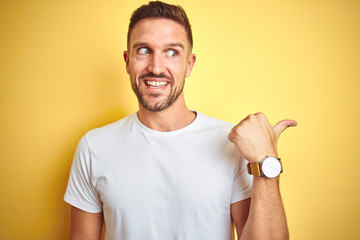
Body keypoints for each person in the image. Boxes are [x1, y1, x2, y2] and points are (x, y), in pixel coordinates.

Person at [64, 1, 297, 239]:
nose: (156, 67)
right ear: (127, 61)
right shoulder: (94, 147)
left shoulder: (233, 144)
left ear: (189, 64)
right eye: (144, 50)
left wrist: (266, 164)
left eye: (172, 52)